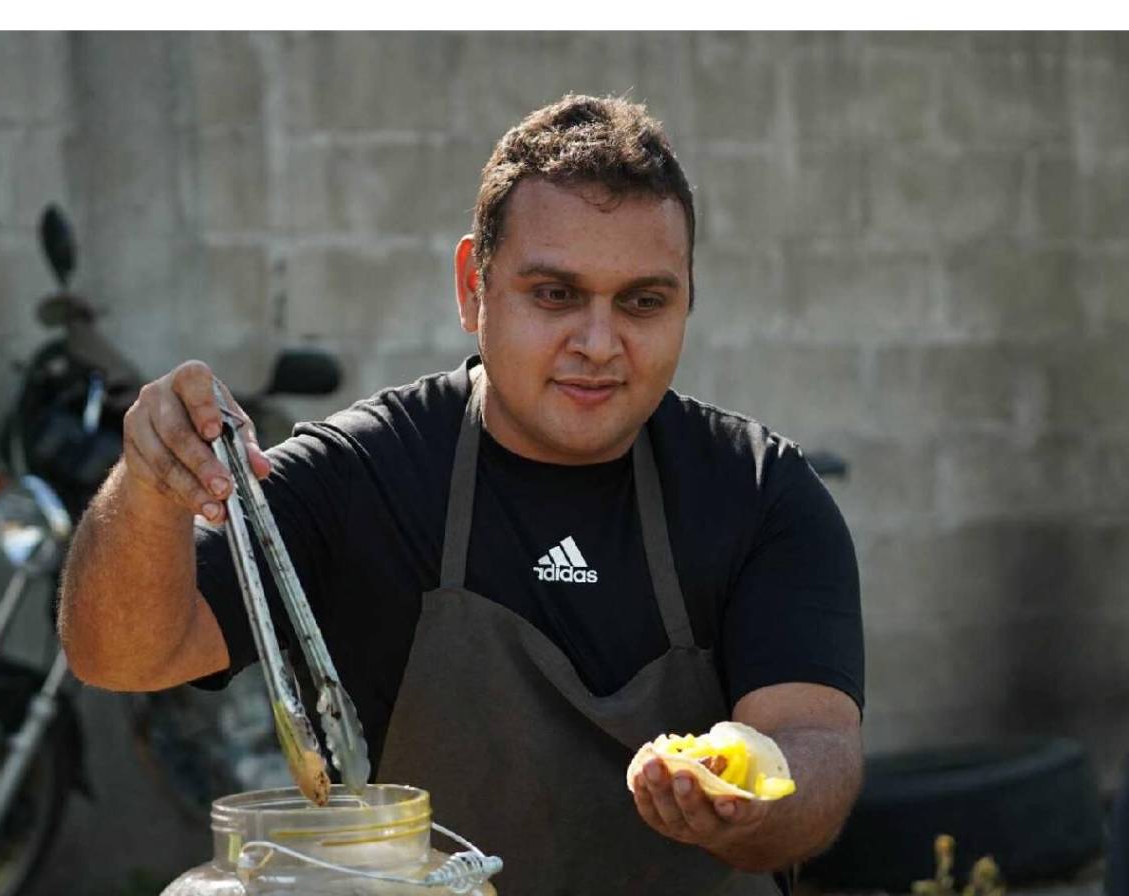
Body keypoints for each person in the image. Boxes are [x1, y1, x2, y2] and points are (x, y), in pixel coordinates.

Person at [59, 94, 864, 895]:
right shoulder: (364, 471)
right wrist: (146, 487)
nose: (597, 342)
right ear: (472, 288)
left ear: (688, 297)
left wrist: (755, 811)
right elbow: (122, 656)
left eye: (642, 302)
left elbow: (813, 742)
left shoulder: (759, 490)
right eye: (554, 294)